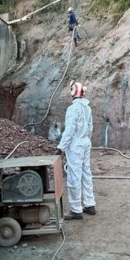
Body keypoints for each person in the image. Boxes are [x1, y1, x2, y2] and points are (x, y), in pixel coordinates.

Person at [56, 82, 96, 220]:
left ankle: (76, 209)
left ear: (73, 92)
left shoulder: (73, 109)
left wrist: (61, 147)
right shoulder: (87, 108)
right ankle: (90, 204)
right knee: (86, 173)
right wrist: (86, 140)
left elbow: (70, 130)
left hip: (76, 144)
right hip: (85, 142)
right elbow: (90, 127)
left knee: (74, 176)